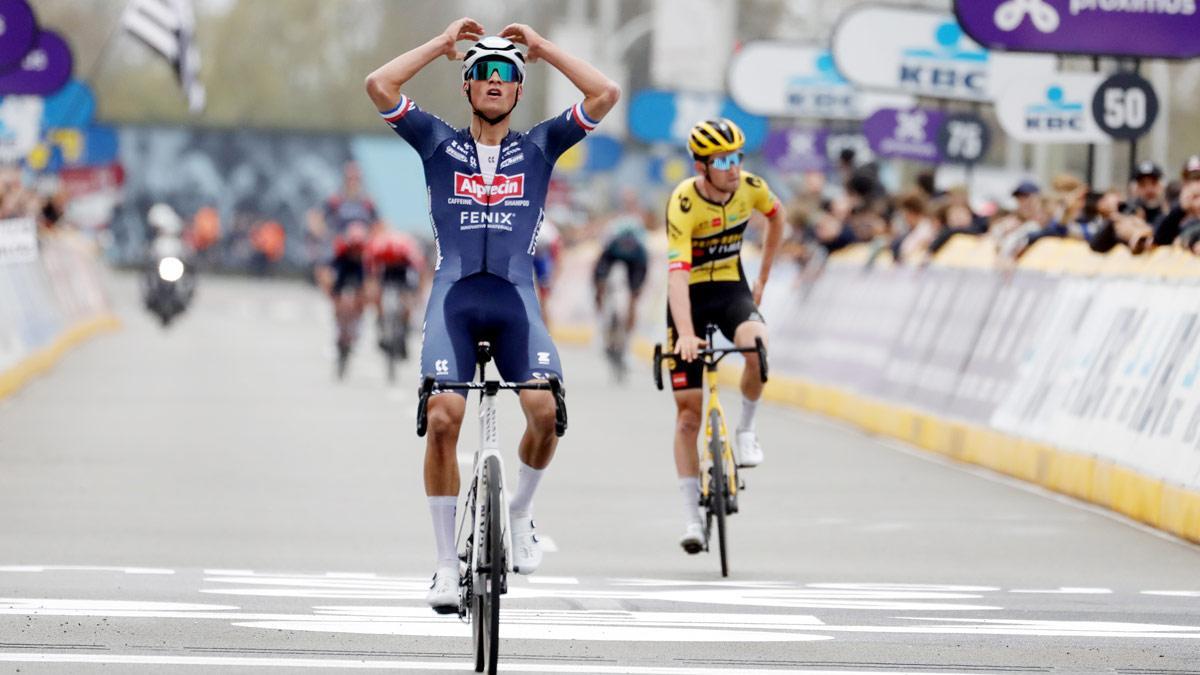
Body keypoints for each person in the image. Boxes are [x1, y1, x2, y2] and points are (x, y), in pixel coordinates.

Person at [365, 18, 619, 612]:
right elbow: (379, 85)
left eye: (509, 74)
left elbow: (603, 95)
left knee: (544, 410)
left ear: (520, 90)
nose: (497, 81)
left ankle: (522, 512)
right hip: (454, 297)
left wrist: (544, 48)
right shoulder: (437, 142)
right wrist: (439, 46)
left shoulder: (539, 146)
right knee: (445, 415)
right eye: (485, 72)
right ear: (468, 85)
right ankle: (445, 567)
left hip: (514, 300)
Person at [663, 118, 785, 554]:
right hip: (690, 297)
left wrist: (764, 277)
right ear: (701, 166)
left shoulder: (751, 186)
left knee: (756, 345)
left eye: (737, 157)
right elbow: (676, 278)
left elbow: (777, 217)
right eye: (722, 161)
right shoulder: (683, 202)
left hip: (731, 288)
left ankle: (746, 431)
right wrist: (687, 335)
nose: (733, 168)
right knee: (688, 417)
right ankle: (692, 519)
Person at [312, 163, 380, 368]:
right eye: (350, 179)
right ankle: (339, 324)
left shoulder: (367, 203)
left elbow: (378, 225)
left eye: (356, 180)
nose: (353, 183)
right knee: (328, 280)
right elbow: (316, 218)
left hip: (360, 255)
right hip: (340, 252)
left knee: (368, 288)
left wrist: (374, 240)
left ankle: (356, 328)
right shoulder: (335, 200)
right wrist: (324, 234)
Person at [593, 190, 650, 344]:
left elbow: (645, 257)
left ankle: (628, 339)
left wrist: (637, 291)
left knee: (633, 298)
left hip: (636, 259)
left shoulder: (639, 224)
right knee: (599, 284)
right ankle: (601, 320)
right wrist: (599, 285)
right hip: (613, 252)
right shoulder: (614, 222)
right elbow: (602, 253)